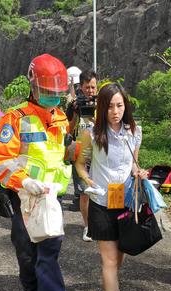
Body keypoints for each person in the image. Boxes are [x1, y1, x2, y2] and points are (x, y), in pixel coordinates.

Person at [0, 53, 73, 291]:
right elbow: (1, 160)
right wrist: (23, 180)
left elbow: (59, 155)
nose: (53, 98)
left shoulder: (61, 117)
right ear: (34, 86)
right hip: (23, 196)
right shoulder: (15, 118)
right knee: (26, 248)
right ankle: (30, 287)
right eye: (48, 92)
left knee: (48, 252)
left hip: (51, 197)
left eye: (57, 94)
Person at [75, 82, 147, 291]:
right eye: (110, 106)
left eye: (119, 105)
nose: (115, 111)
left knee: (118, 259)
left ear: (125, 105)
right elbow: (80, 164)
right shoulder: (91, 134)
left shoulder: (134, 132)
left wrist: (139, 172)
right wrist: (87, 181)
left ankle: (110, 284)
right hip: (101, 204)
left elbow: (134, 162)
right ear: (102, 108)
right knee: (108, 261)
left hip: (125, 201)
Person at [66, 70, 97, 242]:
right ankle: (87, 226)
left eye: (93, 87)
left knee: (100, 192)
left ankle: (100, 223)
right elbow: (68, 130)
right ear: (81, 87)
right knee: (84, 193)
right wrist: (75, 112)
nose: (91, 91)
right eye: (87, 87)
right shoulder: (74, 104)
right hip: (80, 154)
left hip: (100, 153)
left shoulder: (103, 102)